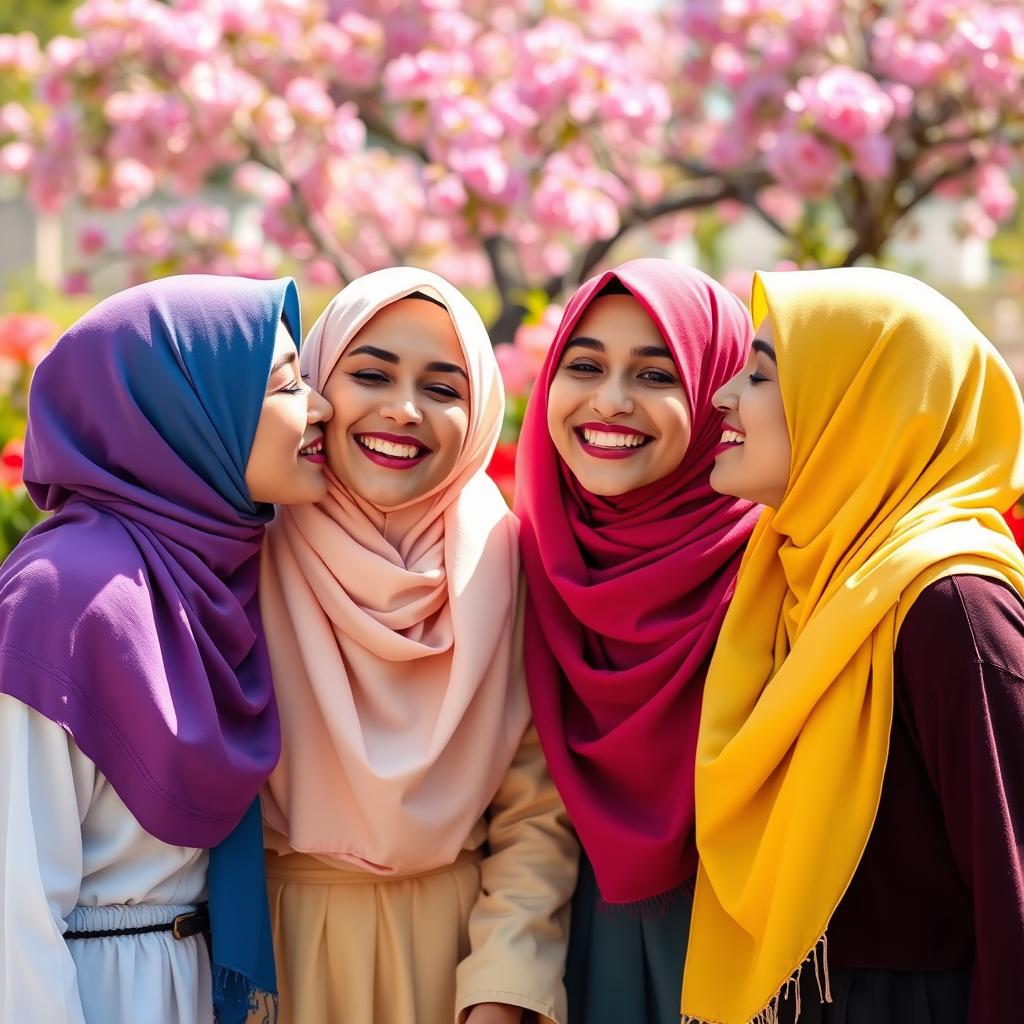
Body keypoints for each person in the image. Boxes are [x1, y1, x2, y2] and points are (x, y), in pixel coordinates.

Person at [682, 268, 1024, 1024]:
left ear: (861, 407)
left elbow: (1015, 896)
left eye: (761, 374)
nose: (723, 397)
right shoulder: (794, 579)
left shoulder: (950, 604)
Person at [0, 275, 332, 1024]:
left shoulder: (207, 575)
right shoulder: (66, 596)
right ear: (187, 411)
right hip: (94, 991)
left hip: (187, 977)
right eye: (286, 387)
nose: (320, 407)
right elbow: (12, 905)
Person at [259, 267, 578, 1024]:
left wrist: (506, 983)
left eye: (443, 388)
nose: (403, 412)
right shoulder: (250, 551)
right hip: (269, 950)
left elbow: (536, 809)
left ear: (480, 414)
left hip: (455, 958)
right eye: (370, 375)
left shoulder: (505, 563)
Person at [513, 258, 760, 1023]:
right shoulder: (520, 561)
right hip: (565, 943)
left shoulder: (775, 573)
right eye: (583, 365)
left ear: (718, 393)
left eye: (656, 375)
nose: (610, 401)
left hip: (748, 951)